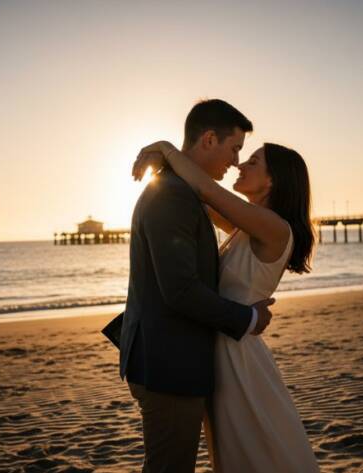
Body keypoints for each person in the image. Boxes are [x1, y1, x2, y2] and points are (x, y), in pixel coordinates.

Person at [132, 136, 320, 472]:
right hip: (222, 346)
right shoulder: (243, 227)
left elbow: (207, 191)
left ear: (272, 180)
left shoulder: (275, 227)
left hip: (238, 356)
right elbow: (193, 197)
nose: (239, 164)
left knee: (253, 449)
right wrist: (164, 167)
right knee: (232, 451)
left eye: (252, 161)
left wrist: (165, 148)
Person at [113, 99, 276, 473]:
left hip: (173, 359)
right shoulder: (171, 195)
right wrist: (247, 318)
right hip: (168, 364)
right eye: (234, 148)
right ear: (208, 139)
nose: (235, 161)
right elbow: (180, 290)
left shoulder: (183, 191)